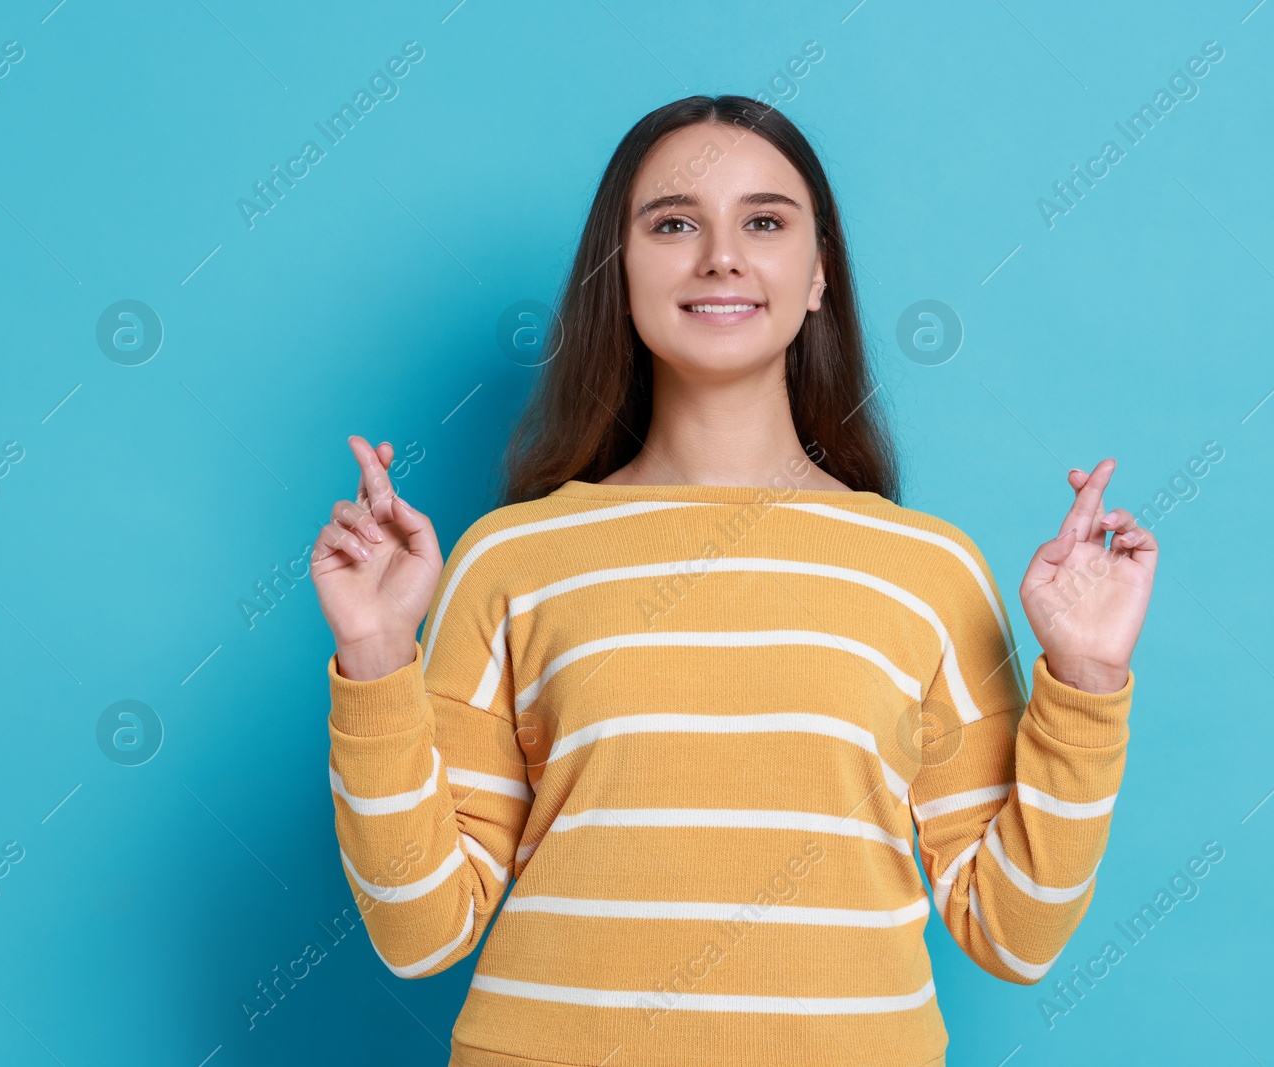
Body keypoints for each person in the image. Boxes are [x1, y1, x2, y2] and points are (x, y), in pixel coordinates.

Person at [310, 94, 1157, 1067]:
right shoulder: (510, 558)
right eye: (673, 223)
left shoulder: (928, 570)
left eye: (763, 221)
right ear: (618, 271)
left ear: (816, 276)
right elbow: (420, 932)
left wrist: (1086, 684)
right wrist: (376, 656)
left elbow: (1013, 934)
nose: (720, 255)